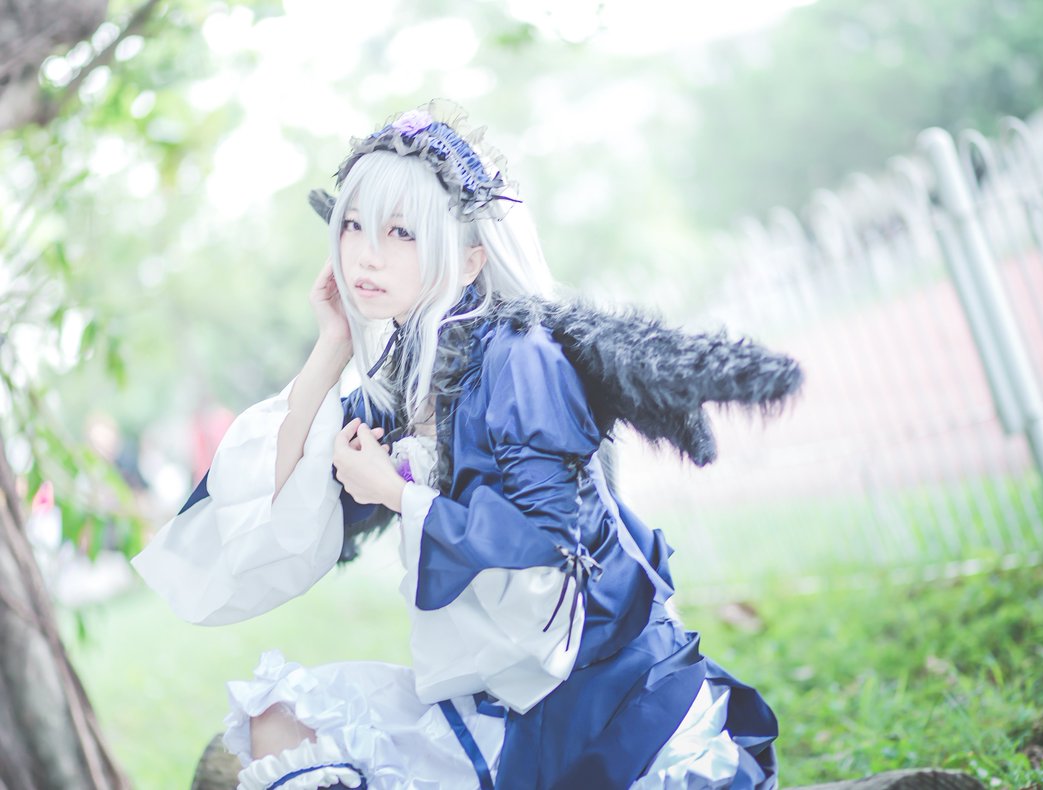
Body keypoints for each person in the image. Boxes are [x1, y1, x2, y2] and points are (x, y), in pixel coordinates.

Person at [132, 101, 800, 790]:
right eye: (354, 225)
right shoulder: (407, 375)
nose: (366, 253)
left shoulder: (521, 355)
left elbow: (548, 540)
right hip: (495, 695)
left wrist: (395, 493)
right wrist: (332, 343)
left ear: (470, 258)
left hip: (599, 701)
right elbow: (278, 493)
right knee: (271, 724)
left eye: (401, 231)